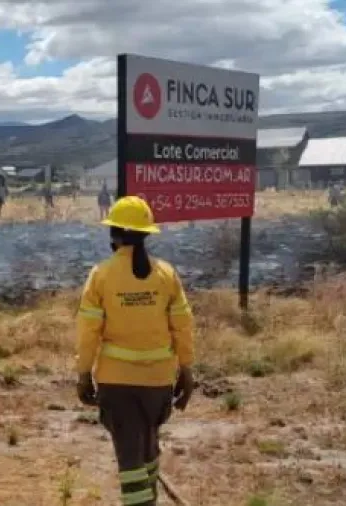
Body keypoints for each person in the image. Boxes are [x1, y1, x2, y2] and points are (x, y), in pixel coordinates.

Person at [76, 196, 196, 506]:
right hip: (158, 383)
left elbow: (89, 332)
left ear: (113, 234)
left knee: (130, 461)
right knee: (147, 446)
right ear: (146, 233)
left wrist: (83, 374)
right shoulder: (166, 274)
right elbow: (182, 326)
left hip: (117, 384)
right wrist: (187, 370)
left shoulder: (101, 275)